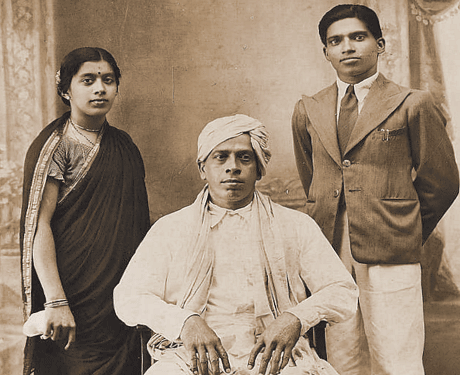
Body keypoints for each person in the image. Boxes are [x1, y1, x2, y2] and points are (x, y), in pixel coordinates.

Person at [114, 114, 358, 375]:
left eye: (244, 157)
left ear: (259, 168)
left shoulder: (295, 225)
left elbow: (343, 292)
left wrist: (295, 318)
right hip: (190, 356)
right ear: (202, 168)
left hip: (276, 356)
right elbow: (128, 297)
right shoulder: (171, 228)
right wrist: (184, 322)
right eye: (220, 157)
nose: (233, 167)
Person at [291, 5, 459, 375]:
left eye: (358, 37)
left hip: (392, 247)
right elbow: (313, 179)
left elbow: (442, 181)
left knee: (397, 355)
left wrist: (405, 227)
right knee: (341, 354)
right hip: (329, 251)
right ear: (326, 52)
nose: (347, 47)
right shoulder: (308, 109)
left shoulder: (412, 103)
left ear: (379, 44)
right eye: (336, 41)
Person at [20, 47, 150, 375]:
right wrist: (56, 300)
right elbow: (40, 226)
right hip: (71, 294)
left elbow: (137, 226)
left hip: (118, 295)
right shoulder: (56, 145)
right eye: (88, 80)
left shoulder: (124, 146)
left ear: (117, 87)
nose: (99, 88)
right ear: (66, 89)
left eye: (108, 80)